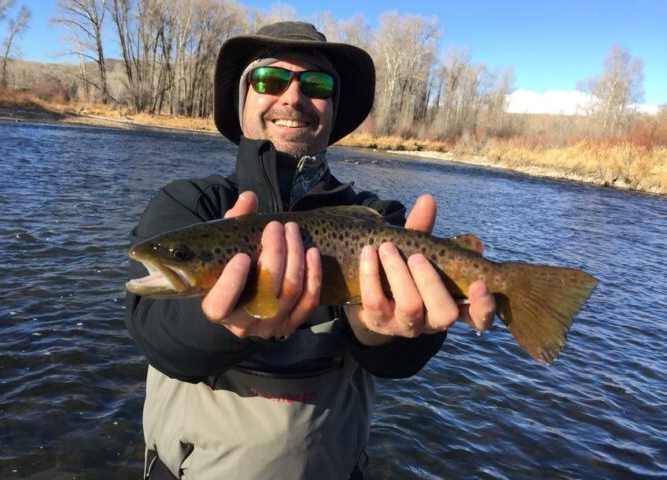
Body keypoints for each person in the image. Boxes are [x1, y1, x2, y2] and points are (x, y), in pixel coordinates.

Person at [126, 21, 495, 480]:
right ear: (243, 98)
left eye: (316, 83)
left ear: (333, 110)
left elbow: (404, 361)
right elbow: (156, 335)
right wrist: (220, 320)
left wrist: (378, 329)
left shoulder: (378, 217)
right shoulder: (191, 206)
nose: (293, 96)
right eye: (270, 80)